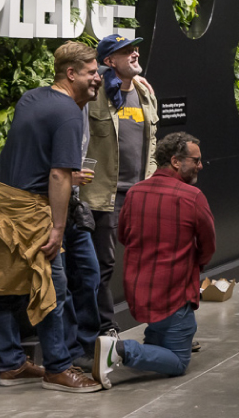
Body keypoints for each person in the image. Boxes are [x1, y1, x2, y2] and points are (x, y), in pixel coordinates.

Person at [0, 41, 104, 393]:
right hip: (30, 211)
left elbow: (32, 151)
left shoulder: (32, 97)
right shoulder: (68, 114)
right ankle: (59, 368)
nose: (98, 78)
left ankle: (11, 364)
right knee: (52, 289)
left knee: (4, 288)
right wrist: (58, 228)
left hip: (0, 201)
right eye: (92, 72)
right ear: (71, 73)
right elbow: (59, 175)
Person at [94, 132, 216, 388]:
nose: (200, 165)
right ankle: (119, 350)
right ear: (175, 161)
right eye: (196, 160)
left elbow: (124, 235)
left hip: (139, 291)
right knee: (179, 361)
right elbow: (208, 245)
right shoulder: (193, 197)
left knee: (166, 336)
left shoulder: (135, 193)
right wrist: (194, 263)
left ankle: (147, 346)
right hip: (174, 291)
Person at [79, 34, 159, 341]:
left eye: (135, 48)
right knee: (103, 266)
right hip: (104, 197)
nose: (135, 54)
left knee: (151, 262)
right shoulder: (93, 93)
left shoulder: (144, 92)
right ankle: (105, 327)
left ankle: (163, 327)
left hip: (141, 195)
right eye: (125, 51)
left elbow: (152, 141)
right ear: (109, 62)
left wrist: (151, 180)